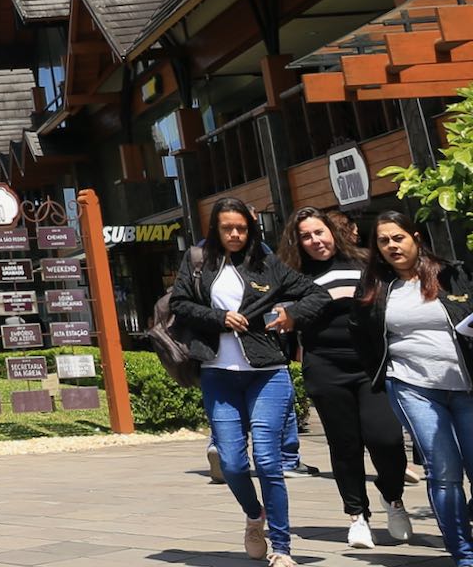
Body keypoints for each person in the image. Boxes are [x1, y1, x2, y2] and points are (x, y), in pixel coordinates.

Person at [170, 196, 322, 567]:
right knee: (233, 464)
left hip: (268, 373)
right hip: (218, 374)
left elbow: (316, 294)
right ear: (215, 229)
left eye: (242, 228)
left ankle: (282, 548)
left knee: (268, 461)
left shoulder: (268, 264)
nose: (235, 234)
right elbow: (179, 304)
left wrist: (291, 315)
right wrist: (219, 317)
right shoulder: (198, 262)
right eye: (228, 228)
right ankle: (255, 517)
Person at [279, 206, 412, 547]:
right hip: (325, 366)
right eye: (305, 236)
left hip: (371, 366)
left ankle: (393, 498)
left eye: (319, 232)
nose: (314, 240)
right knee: (345, 444)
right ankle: (357, 515)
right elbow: (284, 317)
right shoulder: (292, 276)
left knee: (387, 439)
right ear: (297, 242)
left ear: (332, 232)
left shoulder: (365, 262)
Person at [361, 208, 473, 565]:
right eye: (384, 241)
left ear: (416, 238)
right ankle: (463, 554)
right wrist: (382, 374)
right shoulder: (377, 288)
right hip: (413, 386)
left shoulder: (453, 274)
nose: (392, 246)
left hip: (465, 386)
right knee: (444, 470)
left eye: (398, 238)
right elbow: (360, 334)